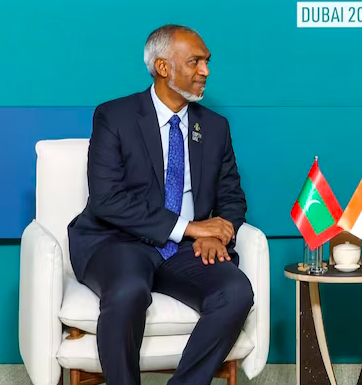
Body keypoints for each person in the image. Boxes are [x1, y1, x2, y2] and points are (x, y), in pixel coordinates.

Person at [68, 24, 253, 385]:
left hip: (184, 250)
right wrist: (189, 227)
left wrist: (217, 236)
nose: (206, 71)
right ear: (164, 67)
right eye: (196, 61)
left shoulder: (215, 127)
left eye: (207, 61)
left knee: (236, 292)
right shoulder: (114, 116)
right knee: (127, 293)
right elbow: (107, 200)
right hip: (118, 240)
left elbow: (232, 197)